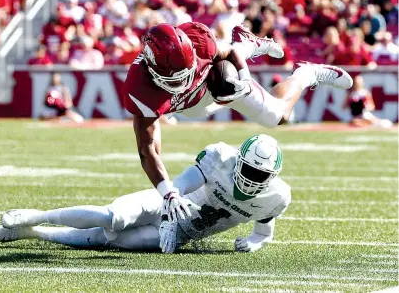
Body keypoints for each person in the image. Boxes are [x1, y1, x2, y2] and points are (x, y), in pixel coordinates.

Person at [121, 22, 353, 224]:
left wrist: (244, 77)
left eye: (187, 72)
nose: (185, 80)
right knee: (199, 108)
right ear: (152, 69)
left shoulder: (200, 42)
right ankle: (247, 43)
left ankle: (306, 73)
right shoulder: (139, 88)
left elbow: (228, 52)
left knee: (277, 117)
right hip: (189, 107)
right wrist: (168, 192)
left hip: (218, 86)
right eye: (177, 77)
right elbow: (147, 149)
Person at [0, 134, 290, 254]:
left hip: (181, 234)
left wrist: (254, 242)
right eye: (249, 170)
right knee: (113, 217)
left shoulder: (276, 196)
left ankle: (34, 233)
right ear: (238, 160)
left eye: (260, 175)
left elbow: (264, 230)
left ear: (272, 176)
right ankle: (35, 215)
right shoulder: (221, 158)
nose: (252, 179)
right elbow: (183, 182)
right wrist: (171, 200)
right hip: (169, 206)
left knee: (108, 239)